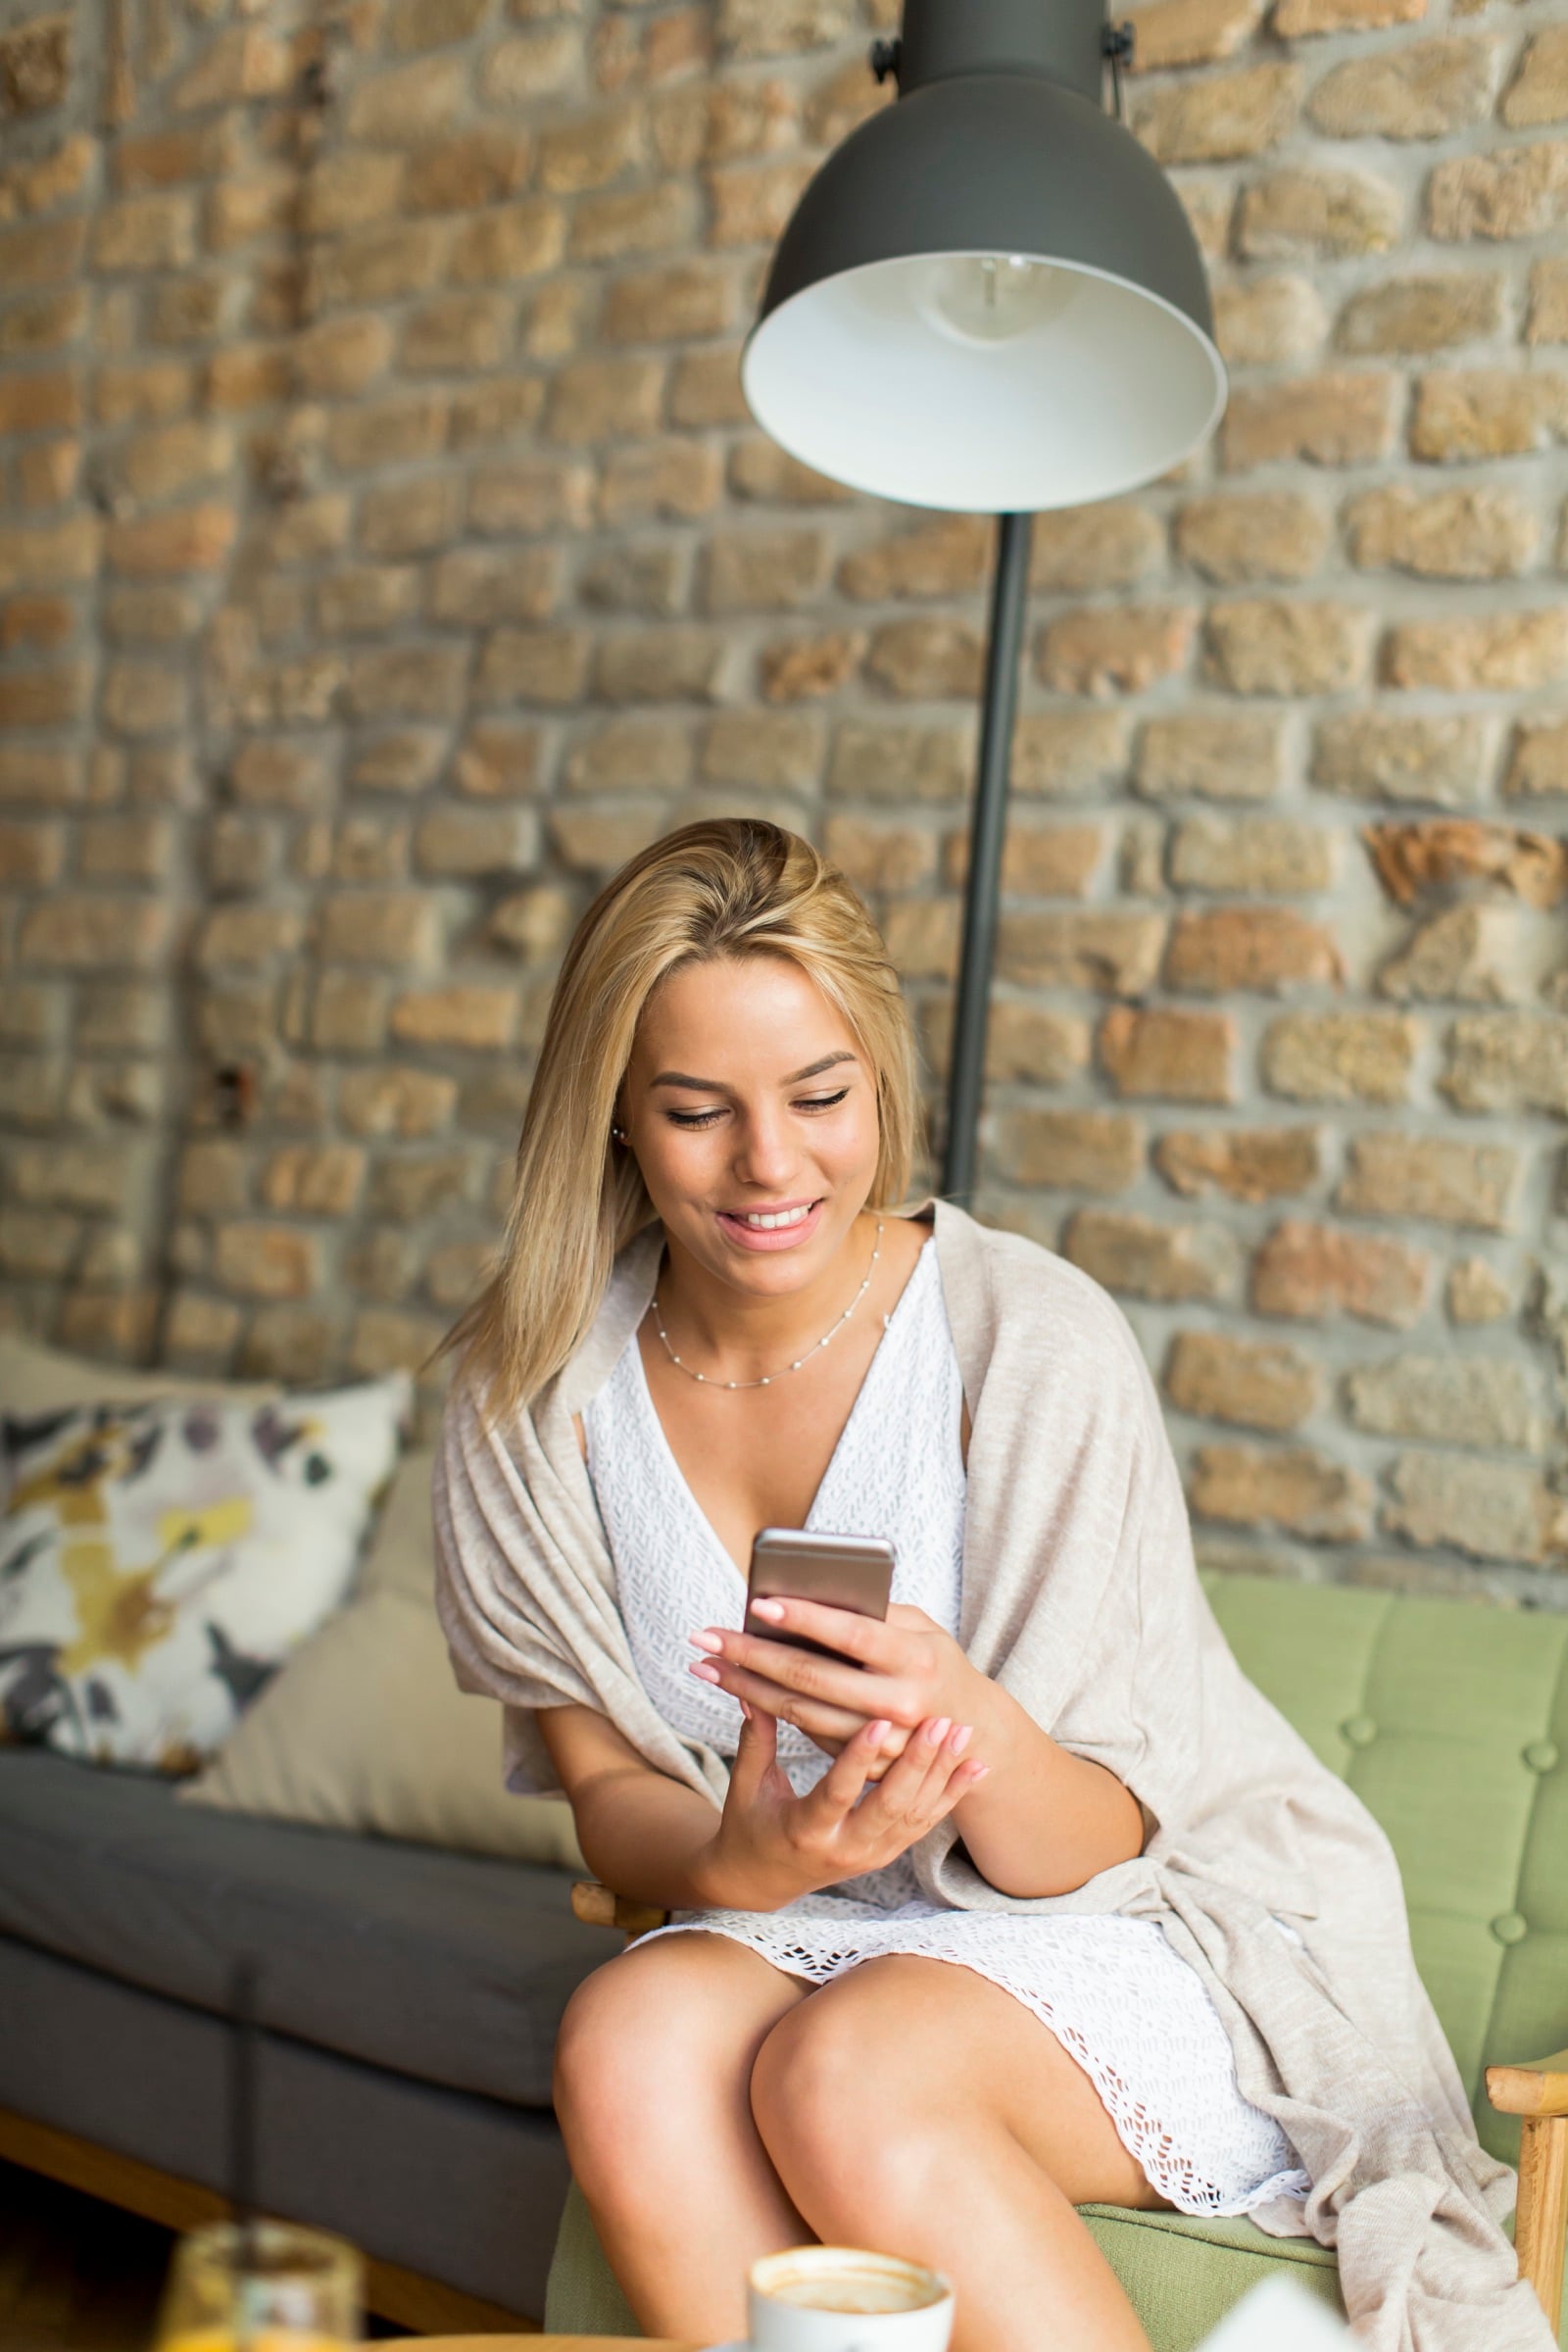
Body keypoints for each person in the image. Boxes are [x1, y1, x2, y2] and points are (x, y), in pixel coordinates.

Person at [433, 818, 1549, 2352]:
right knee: (625, 2036)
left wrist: (973, 1726)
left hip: (1149, 1917)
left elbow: (1097, 1840)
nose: (772, 1165)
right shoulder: (532, 1398)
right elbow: (609, 1788)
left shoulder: (1027, 1342)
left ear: (879, 1084)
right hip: (807, 1924)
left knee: (852, 2067)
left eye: (820, 1097)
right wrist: (745, 1857)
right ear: (614, 1117)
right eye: (697, 1111)